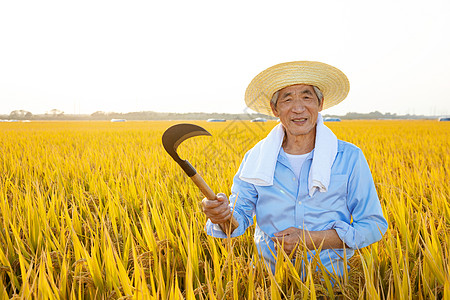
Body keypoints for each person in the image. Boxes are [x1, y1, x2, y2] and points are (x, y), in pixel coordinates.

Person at [202, 61, 388, 275]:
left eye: (306, 97)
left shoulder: (349, 158)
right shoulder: (256, 158)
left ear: (320, 103)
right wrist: (222, 216)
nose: (298, 108)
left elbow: (373, 225)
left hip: (332, 283)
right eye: (287, 99)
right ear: (275, 109)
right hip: (269, 281)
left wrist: (312, 240)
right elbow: (238, 218)